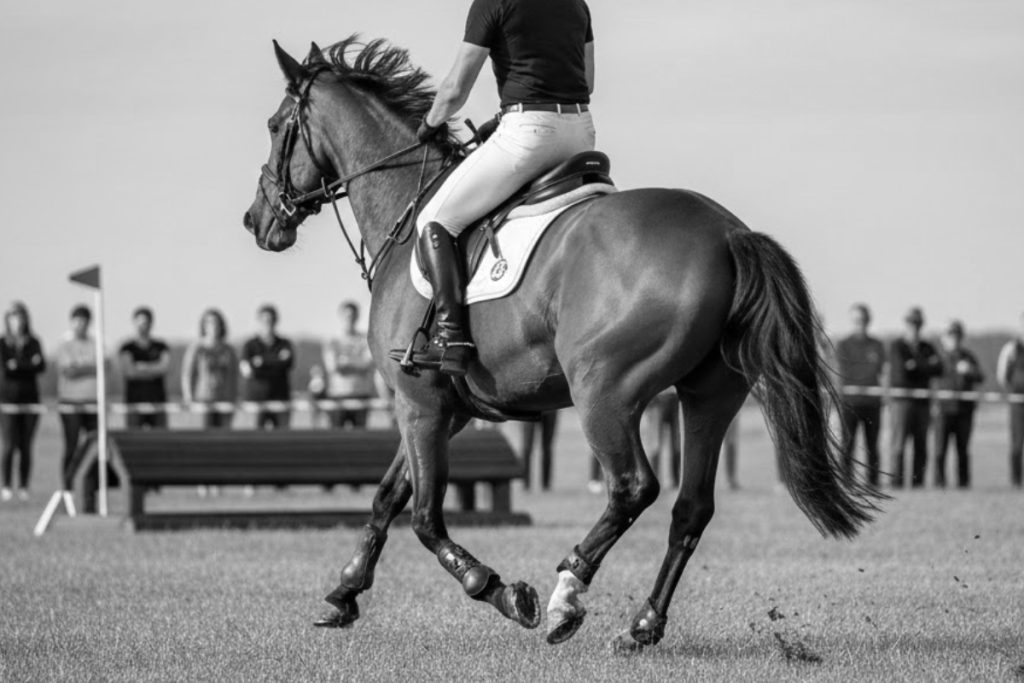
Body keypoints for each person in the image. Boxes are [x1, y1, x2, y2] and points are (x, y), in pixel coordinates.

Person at [402, 0, 597, 376]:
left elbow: (455, 90)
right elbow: (586, 82)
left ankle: (450, 337)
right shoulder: (577, 4)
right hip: (580, 132)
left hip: (529, 134)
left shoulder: (492, 3)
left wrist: (428, 126)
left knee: (434, 220)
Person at [887, 306, 943, 488]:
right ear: (906, 324)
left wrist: (916, 365)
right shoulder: (897, 346)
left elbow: (939, 369)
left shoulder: (927, 346)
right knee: (898, 445)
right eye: (912, 323)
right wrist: (926, 366)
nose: (915, 327)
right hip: (901, 402)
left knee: (921, 445)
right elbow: (901, 375)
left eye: (918, 323)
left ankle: (918, 484)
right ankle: (896, 484)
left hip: (922, 403)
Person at [835, 303, 886, 486]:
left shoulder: (877, 345)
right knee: (847, 444)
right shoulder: (843, 345)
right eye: (857, 320)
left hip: (872, 403)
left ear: (868, 320)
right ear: (851, 321)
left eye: (863, 320)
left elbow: (881, 371)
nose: (860, 323)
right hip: (850, 403)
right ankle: (846, 481)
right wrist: (866, 376)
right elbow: (845, 372)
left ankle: (873, 482)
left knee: (872, 445)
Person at [0, 302, 45, 501]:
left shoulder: (34, 342)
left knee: (26, 446)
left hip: (30, 400)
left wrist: (17, 365)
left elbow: (40, 366)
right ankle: (6, 486)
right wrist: (27, 365)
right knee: (9, 445)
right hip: (7, 401)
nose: (17, 320)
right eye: (13, 316)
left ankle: (24, 487)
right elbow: (5, 369)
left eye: (20, 316)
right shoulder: (2, 343)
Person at [933, 320, 984, 488]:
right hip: (943, 410)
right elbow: (928, 377)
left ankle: (963, 483)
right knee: (940, 449)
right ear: (944, 338)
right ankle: (939, 483)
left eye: (957, 336)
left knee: (962, 450)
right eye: (951, 336)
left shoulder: (968, 357)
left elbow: (980, 377)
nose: (954, 339)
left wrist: (970, 371)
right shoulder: (938, 358)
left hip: (964, 411)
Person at [182, 308, 238, 429]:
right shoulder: (196, 348)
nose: (213, 326)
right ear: (203, 325)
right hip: (203, 400)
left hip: (225, 400)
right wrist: (188, 397)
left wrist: (234, 398)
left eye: (216, 322)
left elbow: (234, 375)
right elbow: (187, 374)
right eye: (209, 322)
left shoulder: (229, 350)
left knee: (224, 435)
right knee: (204, 435)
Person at [240, 304, 294, 429]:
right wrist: (276, 361)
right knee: (255, 437)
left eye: (271, 319)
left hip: (280, 398)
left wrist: (261, 362)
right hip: (255, 400)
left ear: (276, 321)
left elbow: (288, 364)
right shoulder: (250, 345)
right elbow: (247, 371)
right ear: (258, 321)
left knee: (282, 437)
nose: (267, 323)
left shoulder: (284, 344)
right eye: (264, 320)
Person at [323, 301, 376, 429]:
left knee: (360, 437)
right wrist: (357, 362)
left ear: (357, 316)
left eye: (353, 315)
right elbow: (332, 367)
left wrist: (345, 362)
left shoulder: (365, 339)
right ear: (340, 316)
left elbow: (367, 364)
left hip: (361, 395)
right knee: (336, 437)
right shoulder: (332, 340)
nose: (350, 319)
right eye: (347, 315)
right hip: (337, 395)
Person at [118, 306, 171, 429]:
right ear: (134, 323)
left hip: (158, 403)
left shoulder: (161, 346)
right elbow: (129, 372)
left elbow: (164, 368)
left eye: (145, 323)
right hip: (134, 403)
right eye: (139, 323)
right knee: (133, 438)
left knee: (160, 437)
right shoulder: (127, 347)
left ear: (151, 324)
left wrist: (141, 367)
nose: (142, 326)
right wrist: (153, 369)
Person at [997, 311, 1024, 488]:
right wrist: (1012, 391)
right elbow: (1002, 376)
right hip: (1018, 402)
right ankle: (1016, 482)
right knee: (1017, 444)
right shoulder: (1012, 348)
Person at [520, 411, 559, 491]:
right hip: (529, 409)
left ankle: (546, 484)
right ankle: (526, 484)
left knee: (547, 448)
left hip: (550, 409)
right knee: (527, 447)